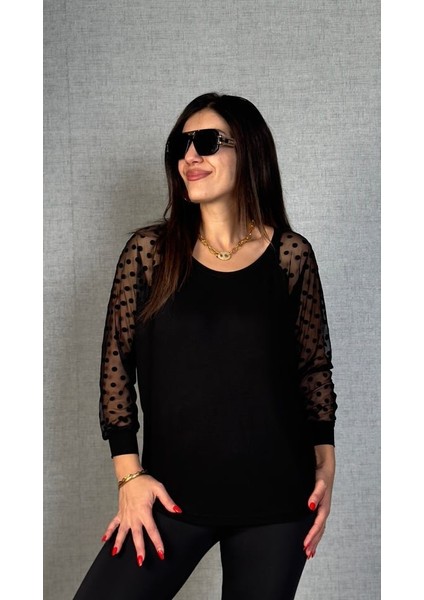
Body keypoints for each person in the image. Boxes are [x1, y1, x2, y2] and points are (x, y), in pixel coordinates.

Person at [73, 92, 337, 600]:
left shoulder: (290, 256)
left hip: (277, 500)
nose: (190, 156)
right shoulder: (149, 253)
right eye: (181, 145)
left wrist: (326, 466)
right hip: (171, 497)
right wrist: (129, 477)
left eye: (208, 142)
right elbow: (116, 367)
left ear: (249, 150)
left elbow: (313, 369)